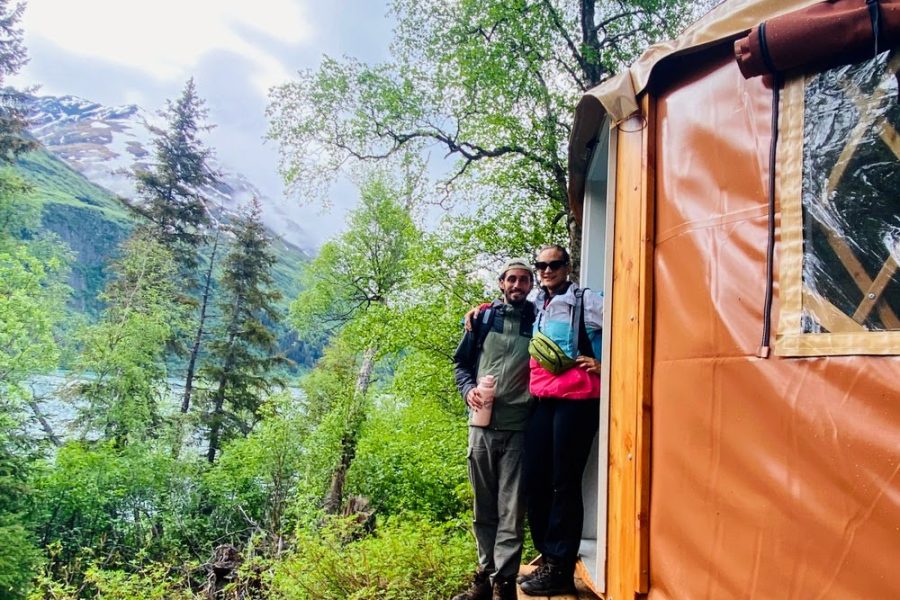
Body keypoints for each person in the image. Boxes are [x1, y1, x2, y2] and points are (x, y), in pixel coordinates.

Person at [517, 244, 602, 597]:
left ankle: (560, 568)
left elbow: (632, 321)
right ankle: (549, 555)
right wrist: (477, 313)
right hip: (543, 399)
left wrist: (606, 364)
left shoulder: (587, 300)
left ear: (568, 266)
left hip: (578, 401)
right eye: (541, 265)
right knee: (534, 478)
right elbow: (507, 308)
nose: (547, 270)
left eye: (554, 264)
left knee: (564, 482)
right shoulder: (537, 302)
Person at [451, 258, 537, 600]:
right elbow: (460, 364)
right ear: (501, 283)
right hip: (482, 428)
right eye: (512, 280)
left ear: (530, 287)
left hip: (519, 428)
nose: (517, 286)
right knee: (483, 508)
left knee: (512, 511)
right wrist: (467, 388)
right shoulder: (484, 319)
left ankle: (505, 582)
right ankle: (484, 580)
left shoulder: (538, 319)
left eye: (524, 281)